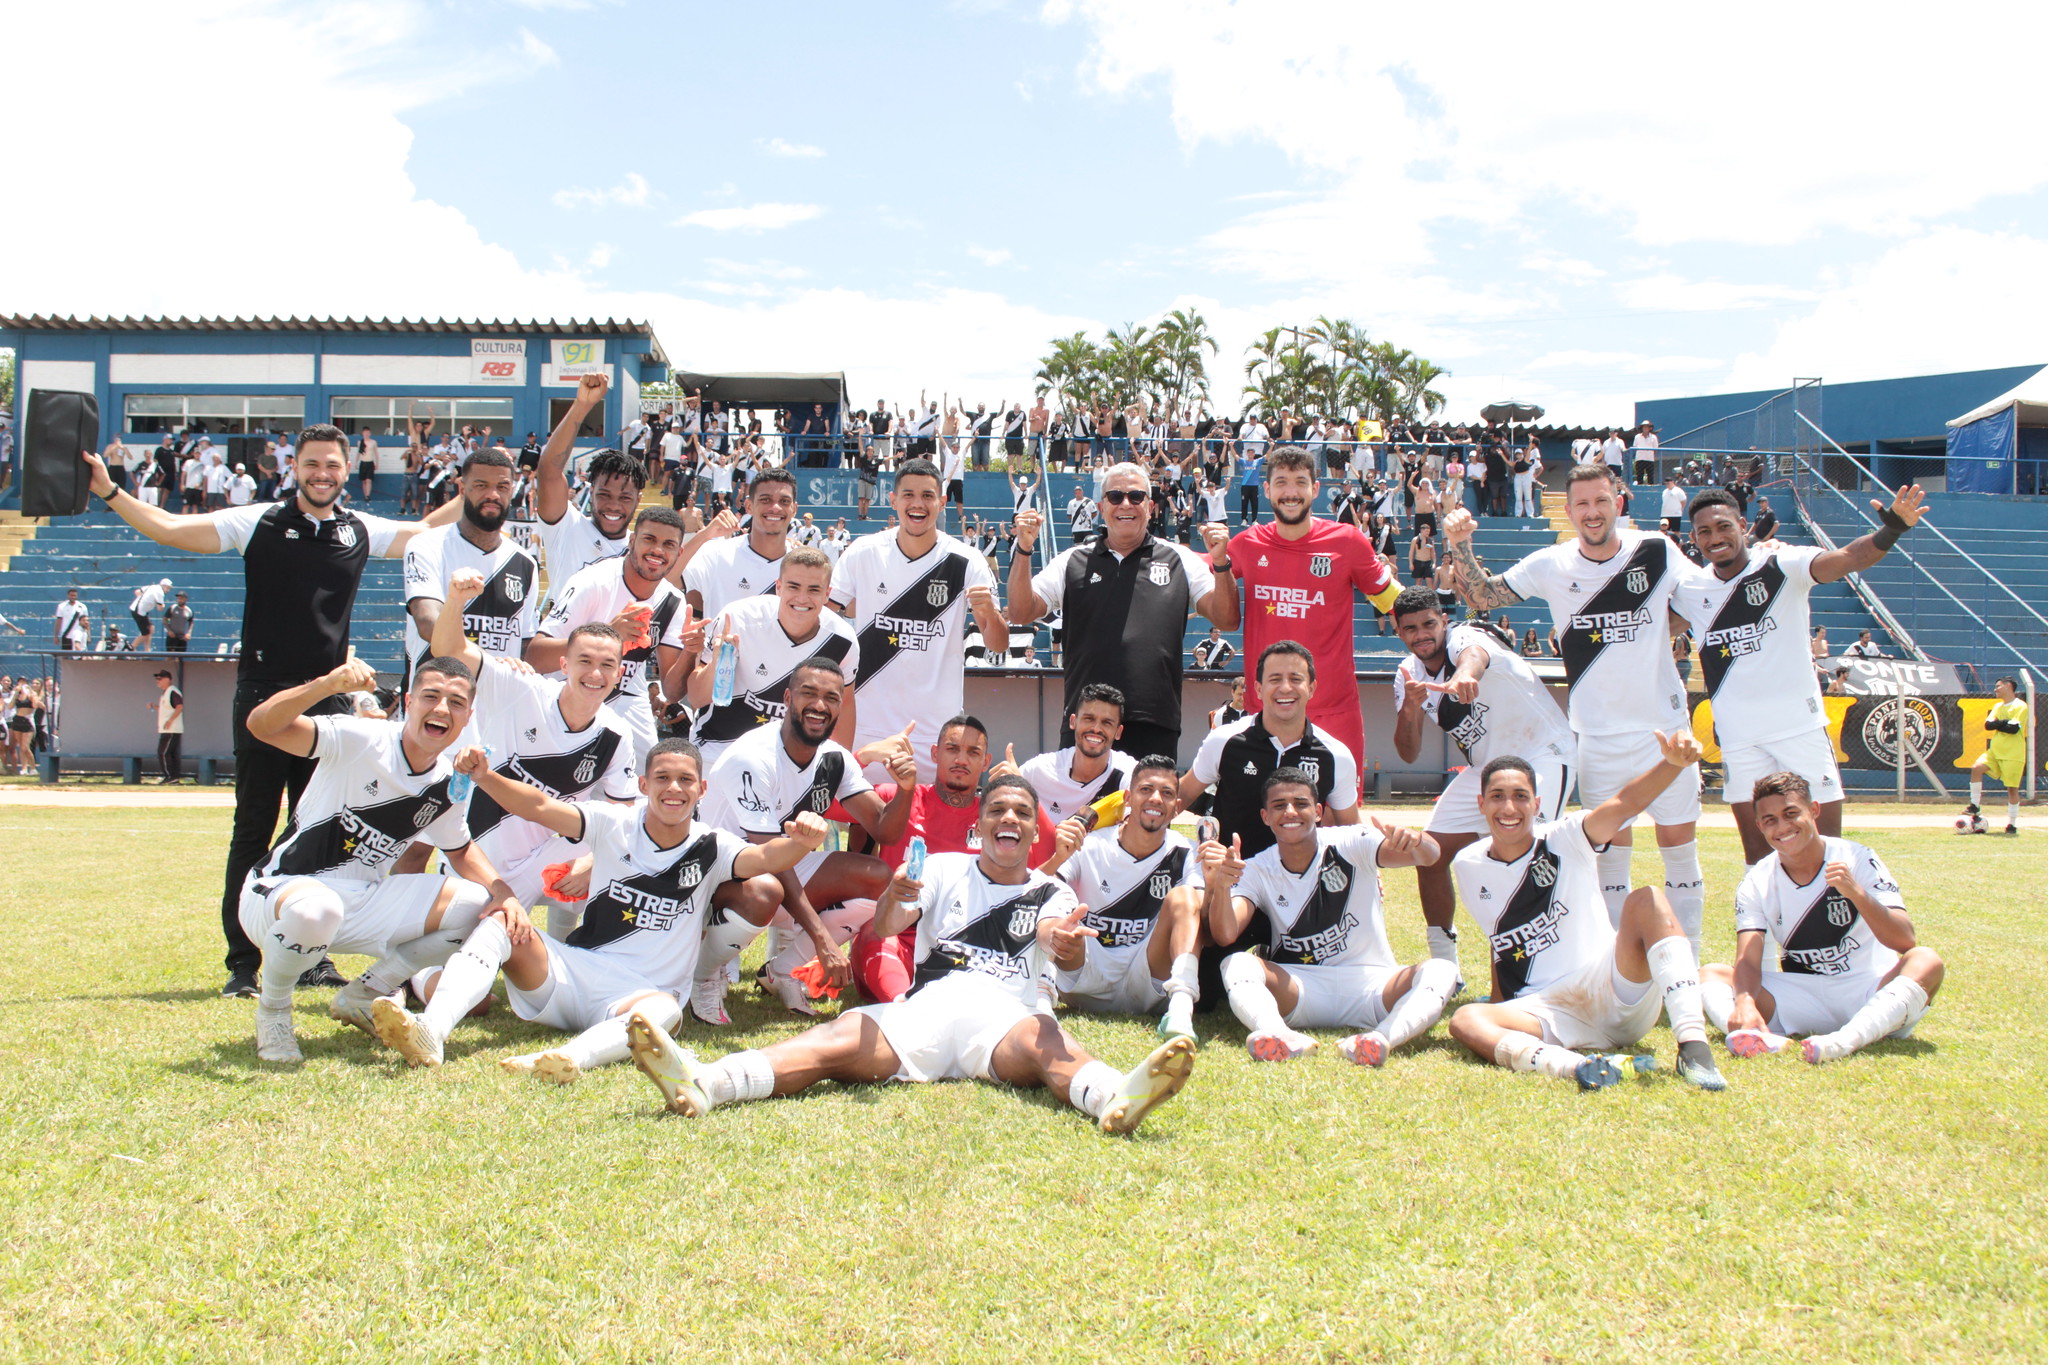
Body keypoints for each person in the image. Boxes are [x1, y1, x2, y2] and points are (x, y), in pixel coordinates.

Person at [83, 432, 458, 997]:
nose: (323, 473)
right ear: (296, 469)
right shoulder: (257, 520)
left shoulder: (359, 528)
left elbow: (430, 529)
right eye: (312, 464)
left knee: (318, 830)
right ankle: (243, 966)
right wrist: (110, 489)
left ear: (345, 469)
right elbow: (168, 528)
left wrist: (491, 477)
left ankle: (308, 957)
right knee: (253, 828)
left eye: (333, 465)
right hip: (264, 695)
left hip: (329, 702)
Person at [623, 775, 1198, 1136]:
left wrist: (1065, 945)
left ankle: (1112, 1097)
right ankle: (706, 1083)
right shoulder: (943, 867)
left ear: (1032, 835)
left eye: (1023, 814)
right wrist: (896, 898)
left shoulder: (1052, 892)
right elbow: (889, 924)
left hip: (1004, 1018)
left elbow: (1056, 939)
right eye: (998, 810)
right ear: (980, 825)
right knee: (831, 1043)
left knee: (1047, 1042)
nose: (1010, 820)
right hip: (924, 1010)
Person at [370, 739, 829, 1077]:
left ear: (702, 789)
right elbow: (540, 807)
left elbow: (767, 861)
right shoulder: (615, 823)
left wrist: (802, 841)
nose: (674, 789)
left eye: (686, 779)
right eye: (663, 778)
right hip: (573, 973)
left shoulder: (713, 845)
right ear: (645, 784)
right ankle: (432, 1030)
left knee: (665, 1012)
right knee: (498, 923)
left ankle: (568, 1059)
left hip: (639, 995)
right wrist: (485, 777)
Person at [1443, 468, 1708, 958]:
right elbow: (1481, 596)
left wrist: (1667, 621)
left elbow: (1709, 596)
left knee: (1679, 852)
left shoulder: (1656, 550)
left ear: (1618, 503)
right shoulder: (1553, 563)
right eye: (1582, 504)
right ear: (1568, 512)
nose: (1592, 512)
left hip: (1665, 729)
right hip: (1599, 735)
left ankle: (1685, 963)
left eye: (1601, 501)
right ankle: (1619, 964)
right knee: (1609, 862)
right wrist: (1460, 545)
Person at [235, 656, 522, 1063]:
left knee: (476, 909)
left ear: (467, 716)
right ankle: (275, 1012)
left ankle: (363, 994)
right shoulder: (359, 737)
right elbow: (261, 725)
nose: (442, 708)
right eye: (431, 696)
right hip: (279, 894)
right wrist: (324, 685)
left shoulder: (446, 783)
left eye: (456, 703)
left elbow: (459, 850)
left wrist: (503, 894)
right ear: (408, 701)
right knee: (319, 909)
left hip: (361, 899)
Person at [1445, 736, 1728, 1092]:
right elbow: (1499, 936)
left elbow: (1625, 803)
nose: (1509, 808)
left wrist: (1672, 763)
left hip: (1611, 989)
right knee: (1466, 1019)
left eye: (1520, 796)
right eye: (1498, 796)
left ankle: (1694, 1048)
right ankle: (1582, 1067)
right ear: (1481, 803)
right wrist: (1499, 1004)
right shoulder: (1468, 864)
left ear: (1537, 804)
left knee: (1649, 900)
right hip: (1546, 1011)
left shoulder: (1566, 837)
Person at [1677, 485, 1928, 864]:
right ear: (1694, 539)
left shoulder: (1783, 565)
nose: (1715, 538)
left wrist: (1890, 530)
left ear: (1743, 526)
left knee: (1825, 847)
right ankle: (1765, 923)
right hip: (1740, 738)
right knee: (1758, 852)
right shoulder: (1691, 589)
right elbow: (1647, 626)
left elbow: (1848, 557)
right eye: (1704, 532)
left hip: (1799, 727)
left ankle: (1829, 919)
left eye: (1723, 526)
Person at [692, 658, 917, 1021]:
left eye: (830, 697)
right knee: (766, 889)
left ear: (840, 707)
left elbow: (884, 829)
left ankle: (782, 970)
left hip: (770, 869)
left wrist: (905, 788)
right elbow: (768, 858)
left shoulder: (835, 759)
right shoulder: (752, 758)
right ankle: (702, 975)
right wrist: (823, 941)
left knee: (878, 878)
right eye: (808, 694)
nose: (819, 706)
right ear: (787, 698)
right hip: (709, 877)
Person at [429, 571, 639, 939]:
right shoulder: (519, 688)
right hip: (480, 853)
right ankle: (392, 980)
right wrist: (455, 599)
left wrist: (591, 862)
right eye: (584, 661)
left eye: (607, 665)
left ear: (620, 673)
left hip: (545, 857)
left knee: (615, 869)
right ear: (563, 665)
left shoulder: (616, 734)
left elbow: (623, 811)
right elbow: (448, 650)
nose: (595, 673)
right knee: (454, 948)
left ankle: (565, 956)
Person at [1200, 771, 1451, 1066]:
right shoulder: (1257, 867)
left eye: (1300, 803)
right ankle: (1280, 1035)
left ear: (1318, 812)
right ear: (1265, 816)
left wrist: (1418, 840)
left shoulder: (1352, 841)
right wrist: (1220, 886)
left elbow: (1430, 856)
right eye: (1279, 805)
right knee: (1236, 962)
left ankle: (1379, 1040)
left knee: (1442, 970)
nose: (1290, 812)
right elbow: (1226, 935)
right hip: (1301, 987)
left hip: (1371, 985)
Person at [1390, 586, 1576, 977]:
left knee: (1531, 856)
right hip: (1486, 768)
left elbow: (1474, 657)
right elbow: (1408, 752)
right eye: (1411, 628)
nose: (1422, 634)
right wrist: (1409, 708)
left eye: (1429, 624)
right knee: (1430, 853)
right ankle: (1444, 967)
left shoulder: (1465, 638)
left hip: (1541, 751)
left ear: (1443, 620)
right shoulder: (1406, 673)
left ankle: (1547, 966)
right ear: (1398, 631)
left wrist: (1464, 676)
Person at [1696, 771, 1941, 1066]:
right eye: (1770, 820)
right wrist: (1745, 1003)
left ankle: (1846, 1040)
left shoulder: (1858, 857)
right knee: (1711, 974)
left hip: (1868, 991)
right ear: (1760, 825)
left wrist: (1857, 894)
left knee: (1927, 960)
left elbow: (1904, 940)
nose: (1782, 827)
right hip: (1804, 995)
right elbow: (1747, 959)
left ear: (1813, 811)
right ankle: (1754, 1037)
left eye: (1791, 814)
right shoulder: (1757, 880)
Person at [1005, 463, 1236, 760]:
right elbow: (1021, 612)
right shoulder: (1072, 561)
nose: (1125, 504)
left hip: (1155, 720)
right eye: (1115, 496)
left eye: (1136, 496)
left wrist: (1221, 563)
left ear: (1151, 506)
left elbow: (1227, 619)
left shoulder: (1179, 559)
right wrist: (1024, 550)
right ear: (1102, 507)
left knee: (1147, 806)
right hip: (1086, 719)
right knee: (1083, 808)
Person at [848, 713, 1059, 1003]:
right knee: (874, 933)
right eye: (952, 749)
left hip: (969, 942)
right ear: (935, 753)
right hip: (900, 933)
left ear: (986, 762)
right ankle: (903, 1007)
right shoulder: (898, 796)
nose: (962, 759)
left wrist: (1022, 789)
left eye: (973, 753)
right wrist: (865, 754)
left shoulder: (995, 819)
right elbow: (827, 800)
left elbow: (1047, 851)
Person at [830, 459, 1006, 783]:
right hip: (869, 724)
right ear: (894, 499)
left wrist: (989, 614)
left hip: (937, 730)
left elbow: (998, 643)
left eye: (928, 495)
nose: (918, 504)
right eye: (908, 494)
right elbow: (825, 616)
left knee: (930, 831)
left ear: (941, 502)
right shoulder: (863, 552)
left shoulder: (966, 561)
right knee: (864, 829)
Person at [1230, 447, 1402, 774]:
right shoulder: (1247, 544)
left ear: (1316, 489)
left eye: (1300, 482)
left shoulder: (1348, 542)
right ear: (1266, 490)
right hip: (1265, 714)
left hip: (1335, 716)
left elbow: (1393, 600)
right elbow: (1198, 573)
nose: (1291, 492)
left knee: (1340, 824)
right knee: (1259, 820)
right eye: (1281, 482)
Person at [1035, 757, 1205, 1042]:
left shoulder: (1188, 851)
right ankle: (1040, 1000)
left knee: (1187, 897)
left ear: (1177, 806)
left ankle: (1181, 1009)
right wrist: (1058, 858)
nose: (1155, 799)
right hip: (1082, 977)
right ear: (1128, 797)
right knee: (1055, 893)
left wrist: (1219, 883)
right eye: (1146, 789)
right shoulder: (1090, 843)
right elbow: (1032, 892)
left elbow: (1202, 921)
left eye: (1166, 793)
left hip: (1149, 981)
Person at [529, 508, 694, 766]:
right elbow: (535, 657)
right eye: (649, 539)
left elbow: (672, 690)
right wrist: (606, 635)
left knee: (646, 783)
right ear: (631, 541)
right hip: (562, 702)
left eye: (668, 544)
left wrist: (691, 651)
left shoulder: (673, 601)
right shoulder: (593, 582)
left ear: (679, 553)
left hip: (620, 698)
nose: (658, 551)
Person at [1183, 641, 1359, 859]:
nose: (1285, 688)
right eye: (1275, 679)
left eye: (1295, 679)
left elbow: (1351, 831)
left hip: (1301, 885)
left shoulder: (1336, 755)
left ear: (1311, 688)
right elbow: (1181, 796)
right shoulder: (1223, 740)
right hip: (1234, 879)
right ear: (1258, 689)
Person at [687, 546, 858, 769]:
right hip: (719, 749)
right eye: (793, 587)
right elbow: (697, 699)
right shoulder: (738, 619)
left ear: (828, 594)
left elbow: (844, 705)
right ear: (778, 587)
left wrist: (838, 770)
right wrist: (718, 662)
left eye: (814, 590)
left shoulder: (843, 640)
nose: (802, 598)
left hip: (792, 759)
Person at [402, 449, 538, 684]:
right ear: (463, 489)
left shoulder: (524, 562)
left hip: (496, 706)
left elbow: (525, 642)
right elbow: (428, 624)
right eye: (481, 485)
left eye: (502, 487)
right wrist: (491, 666)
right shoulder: (427, 545)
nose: (493, 494)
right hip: (437, 699)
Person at [534, 373, 649, 582]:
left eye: (624, 497)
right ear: (591, 491)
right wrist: (582, 406)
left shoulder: (641, 552)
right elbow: (548, 470)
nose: (613, 506)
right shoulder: (567, 528)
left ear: (638, 499)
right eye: (604, 495)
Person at [681, 466, 802, 622]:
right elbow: (669, 581)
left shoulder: (804, 564)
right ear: (749, 506)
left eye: (784, 501)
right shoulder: (716, 554)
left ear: (794, 509)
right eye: (765, 500)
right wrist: (705, 535)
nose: (775, 508)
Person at [1017, 684, 1138, 825]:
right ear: (1073, 721)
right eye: (1089, 719)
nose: (1096, 729)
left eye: (1107, 723)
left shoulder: (1130, 774)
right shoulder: (1039, 769)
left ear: (1118, 732)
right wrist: (1012, 783)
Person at [1967, 676, 2030, 836]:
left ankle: (2012, 824)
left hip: (2013, 753)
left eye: (1998, 686)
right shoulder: (1997, 706)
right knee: (1976, 768)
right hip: (1995, 750)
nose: (1995, 690)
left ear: (2008, 686)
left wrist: (2000, 723)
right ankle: (1975, 805)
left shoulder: (2020, 706)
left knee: (2012, 789)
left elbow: (2013, 729)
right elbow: (1988, 725)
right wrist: (2004, 722)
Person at [151, 669, 184, 783]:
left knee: (163, 752)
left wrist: (170, 721)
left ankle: (170, 776)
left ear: (167, 679)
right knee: (170, 753)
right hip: (167, 729)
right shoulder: (165, 693)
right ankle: (174, 777)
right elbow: (166, 709)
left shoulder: (173, 691)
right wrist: (154, 707)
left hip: (171, 729)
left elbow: (179, 707)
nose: (158, 681)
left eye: (160, 679)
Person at [130, 578, 171, 649]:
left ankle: (147, 650)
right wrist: (163, 605)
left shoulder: (152, 586)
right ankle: (130, 649)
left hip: (139, 610)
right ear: (163, 586)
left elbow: (137, 592)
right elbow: (160, 608)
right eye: (168, 588)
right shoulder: (160, 593)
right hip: (139, 612)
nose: (168, 590)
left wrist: (143, 601)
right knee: (145, 634)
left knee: (151, 628)